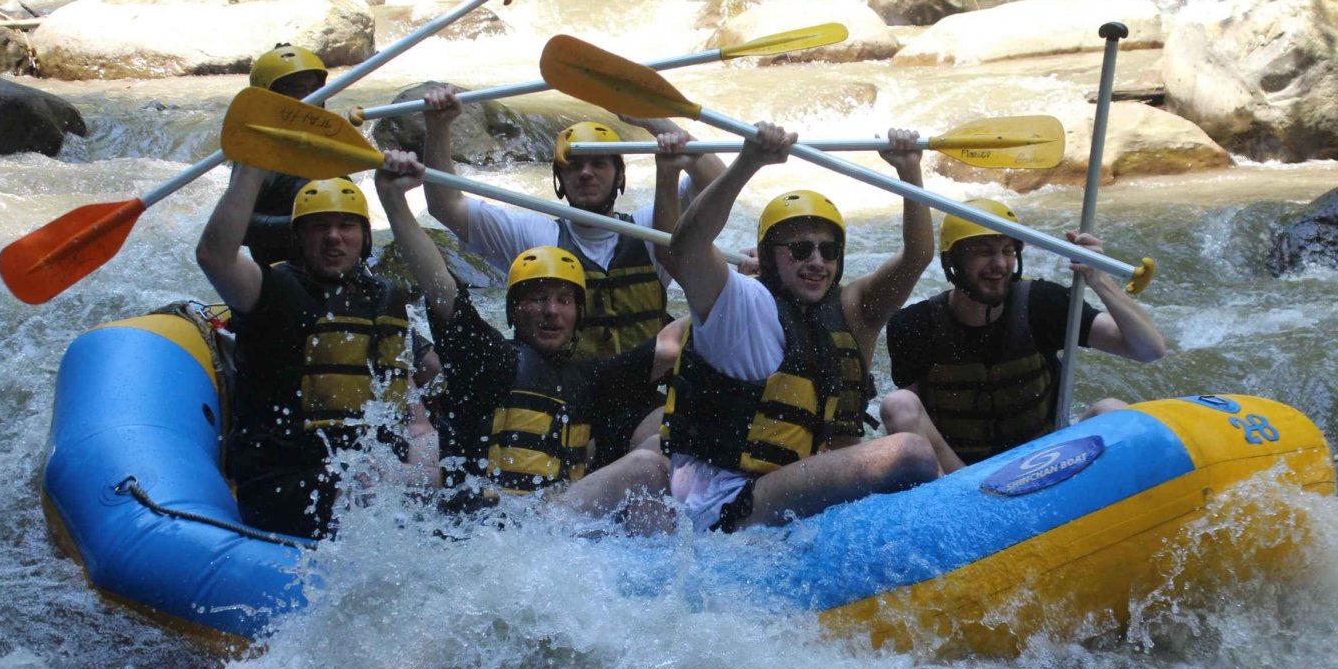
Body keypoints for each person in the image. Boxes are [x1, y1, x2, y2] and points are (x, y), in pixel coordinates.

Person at [602, 121, 941, 533]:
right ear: (768, 256)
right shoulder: (746, 303)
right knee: (910, 453)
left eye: (828, 250)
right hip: (736, 500)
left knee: (907, 446)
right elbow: (682, 248)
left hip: (795, 481)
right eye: (800, 249)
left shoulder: (856, 312)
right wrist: (749, 161)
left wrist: (909, 169)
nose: (816, 261)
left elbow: (918, 256)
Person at [419, 87, 725, 465]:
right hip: (562, 394)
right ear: (559, 179)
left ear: (619, 176)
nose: (586, 174)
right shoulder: (537, 236)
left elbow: (719, 184)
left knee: (675, 434)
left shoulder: (652, 229)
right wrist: (439, 127)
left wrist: (654, 120)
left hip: (641, 394)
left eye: (599, 164)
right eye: (574, 165)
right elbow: (444, 203)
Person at [375, 150, 677, 519]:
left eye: (564, 300)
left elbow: (674, 341)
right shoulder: (485, 356)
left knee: (649, 466)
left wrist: (752, 284)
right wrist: (394, 201)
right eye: (537, 299)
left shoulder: (591, 379)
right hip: (483, 525)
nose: (552, 310)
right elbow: (438, 285)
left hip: (549, 540)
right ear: (514, 310)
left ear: (579, 313)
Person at [196, 167, 434, 539]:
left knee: (435, 477)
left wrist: (424, 466)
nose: (334, 237)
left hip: (366, 471)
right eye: (319, 226)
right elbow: (214, 256)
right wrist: (252, 171)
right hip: (285, 481)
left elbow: (414, 418)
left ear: (364, 238)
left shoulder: (383, 298)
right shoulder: (269, 290)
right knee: (369, 482)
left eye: (345, 226)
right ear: (299, 238)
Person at [879, 199, 1167, 474]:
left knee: (1112, 411)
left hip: (1047, 461)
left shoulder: (1043, 303)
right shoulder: (914, 325)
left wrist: (1098, 279)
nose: (1000, 264)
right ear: (952, 260)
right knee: (898, 404)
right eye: (983, 251)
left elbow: (1148, 349)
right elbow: (913, 429)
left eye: (1007, 250)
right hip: (959, 479)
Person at [243, 44, 329, 267]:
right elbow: (238, 227)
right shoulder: (261, 152)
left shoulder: (327, 141)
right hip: (284, 276)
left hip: (331, 268)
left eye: (315, 88)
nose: (311, 98)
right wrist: (305, 224)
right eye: (298, 89)